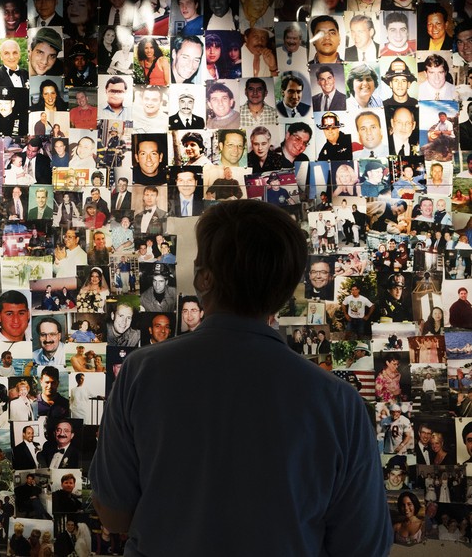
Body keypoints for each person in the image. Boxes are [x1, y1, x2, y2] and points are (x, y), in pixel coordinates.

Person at [90, 200, 391, 554]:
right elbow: (364, 546)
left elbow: (113, 514)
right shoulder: (339, 401)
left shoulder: (141, 372)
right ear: (285, 288)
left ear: (204, 278)